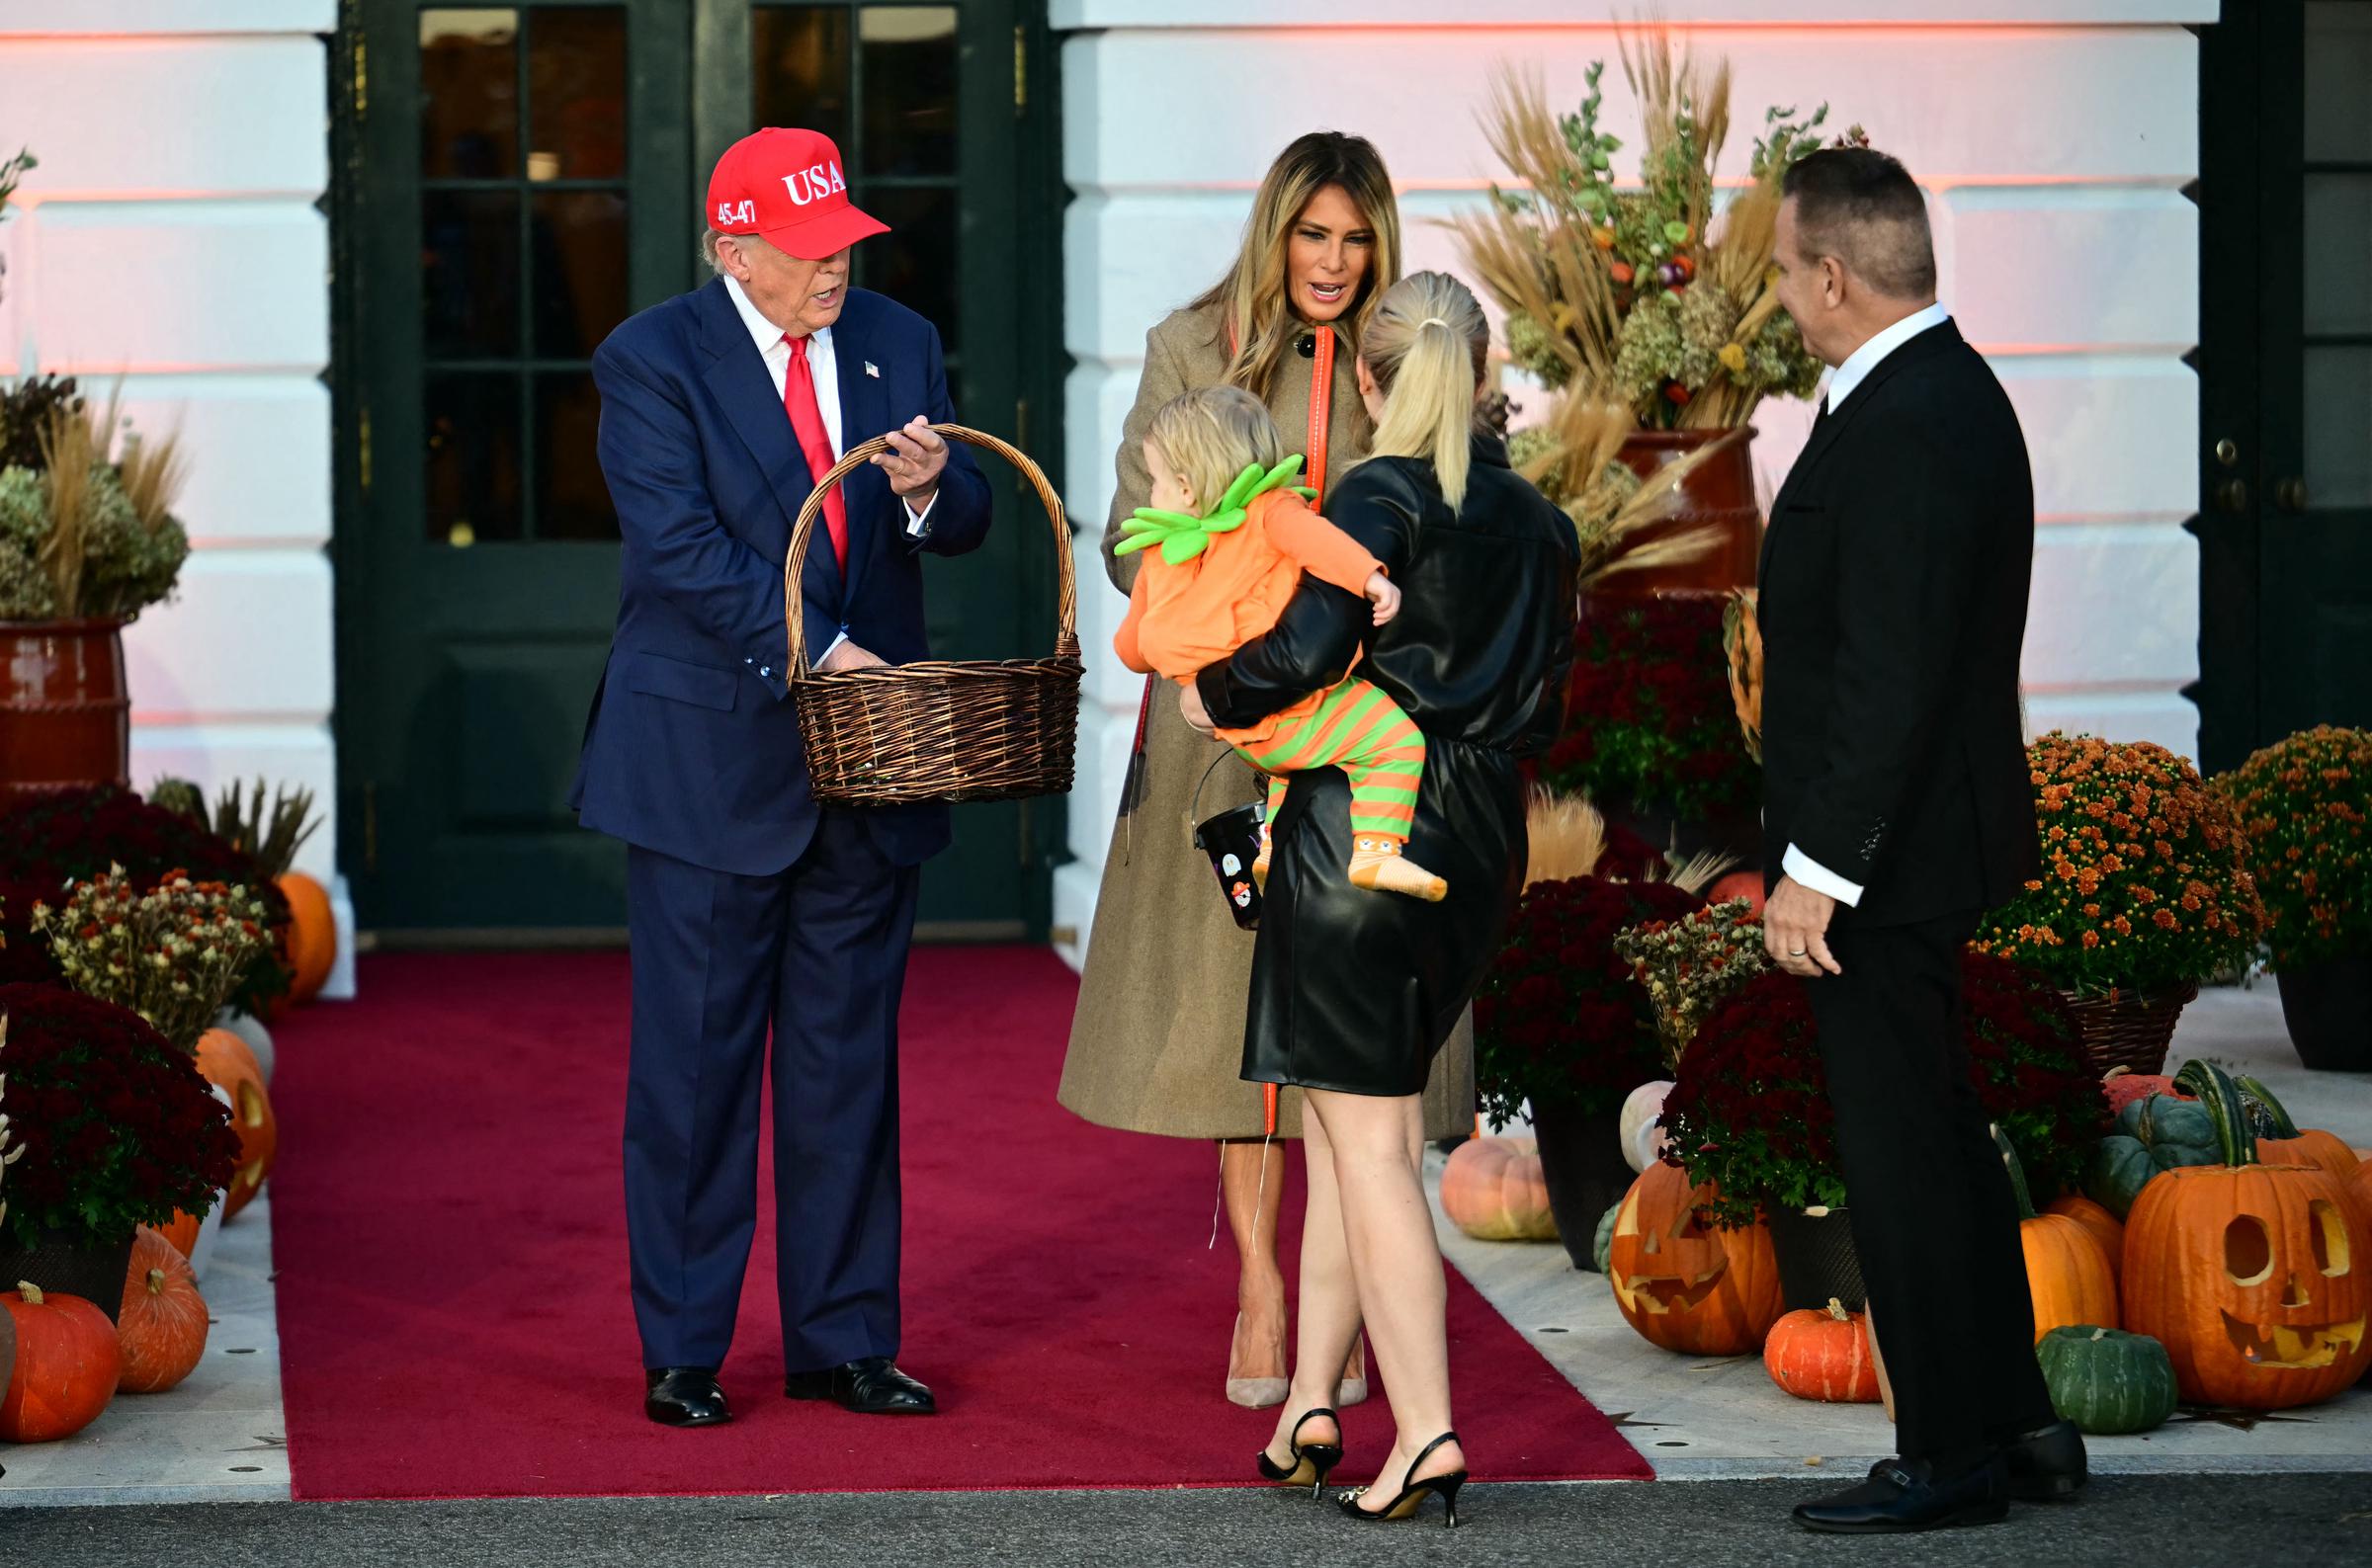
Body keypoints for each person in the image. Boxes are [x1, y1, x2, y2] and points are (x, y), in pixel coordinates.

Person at [570, 126, 992, 1427]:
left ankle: (846, 1336)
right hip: (708, 763)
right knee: (693, 1071)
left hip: (872, 767)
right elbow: (682, 551)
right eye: (807, 252)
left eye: (844, 245)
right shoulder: (649, 359)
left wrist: (935, 492)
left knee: (845, 1064)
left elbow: (965, 515)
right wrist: (823, 641)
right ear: (731, 248)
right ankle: (685, 1347)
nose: (834, 273)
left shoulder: (900, 340)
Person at [1058, 131, 1478, 1411]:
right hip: (1221, 724)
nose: (1335, 262)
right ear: (1275, 232)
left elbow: (1448, 508)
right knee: (1241, 1020)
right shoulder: (1193, 345)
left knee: (1346, 1024)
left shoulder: (1402, 353)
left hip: (1360, 713)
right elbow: (1135, 542)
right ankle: (1261, 1284)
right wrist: (1232, 569)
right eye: (1314, 235)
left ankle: (1342, 1310)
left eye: (1356, 239)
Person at [1186, 272, 1578, 1527]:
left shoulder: (1377, 492)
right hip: (1485, 835)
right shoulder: (1543, 523)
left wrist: (1219, 693)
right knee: (1367, 1135)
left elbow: (1303, 650)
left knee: (1368, 1151)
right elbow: (1553, 707)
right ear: (1481, 367)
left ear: (1371, 376)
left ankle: (1424, 1434)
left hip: (1370, 811)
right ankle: (1312, 1399)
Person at [1756, 146, 2082, 1532]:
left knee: (1901, 1149)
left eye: (1781, 270)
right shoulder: (1948, 396)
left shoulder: (1906, 419)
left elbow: (1890, 673)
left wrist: (1817, 871)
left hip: (1882, 865)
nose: (1778, 296)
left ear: (1834, 274)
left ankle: (1946, 1449)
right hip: (1927, 844)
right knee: (1944, 1135)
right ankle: (2012, 1421)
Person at [1113, 385, 1445, 901]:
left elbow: (1131, 651)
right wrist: (1371, 579)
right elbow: (1324, 544)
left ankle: (1270, 847)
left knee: (1291, 765)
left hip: (1243, 732)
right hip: (1291, 708)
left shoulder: (1161, 554)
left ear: (1185, 490)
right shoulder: (1272, 510)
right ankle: (1378, 853)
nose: (1150, 495)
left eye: (1154, 482)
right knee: (1394, 741)